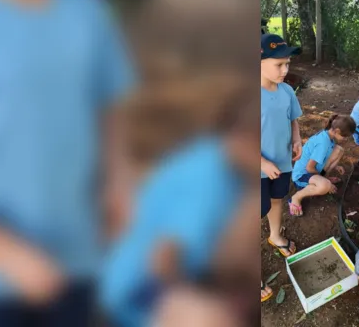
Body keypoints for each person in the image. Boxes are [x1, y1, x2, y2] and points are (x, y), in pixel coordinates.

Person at [0, 0, 135, 325]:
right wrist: (9, 254)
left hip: (78, 253)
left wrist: (118, 180)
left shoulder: (85, 8)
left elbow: (106, 101)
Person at [100, 85, 258, 327]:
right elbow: (163, 260)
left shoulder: (220, 158)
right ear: (245, 138)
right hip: (141, 289)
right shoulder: (207, 183)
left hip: (179, 272)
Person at [260, 33, 302, 301]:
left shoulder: (286, 91)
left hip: (283, 163)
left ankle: (275, 236)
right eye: (279, 65)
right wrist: (262, 162)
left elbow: (293, 119)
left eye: (287, 64)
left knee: (277, 200)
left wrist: (297, 138)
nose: (285, 70)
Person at [288, 115, 356, 216]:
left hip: (313, 171)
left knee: (339, 150)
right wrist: (326, 182)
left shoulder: (328, 136)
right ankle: (296, 197)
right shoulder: (323, 144)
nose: (345, 139)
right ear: (337, 131)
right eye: (344, 136)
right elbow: (309, 168)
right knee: (325, 186)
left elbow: (326, 155)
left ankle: (324, 178)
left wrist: (335, 167)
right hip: (302, 175)